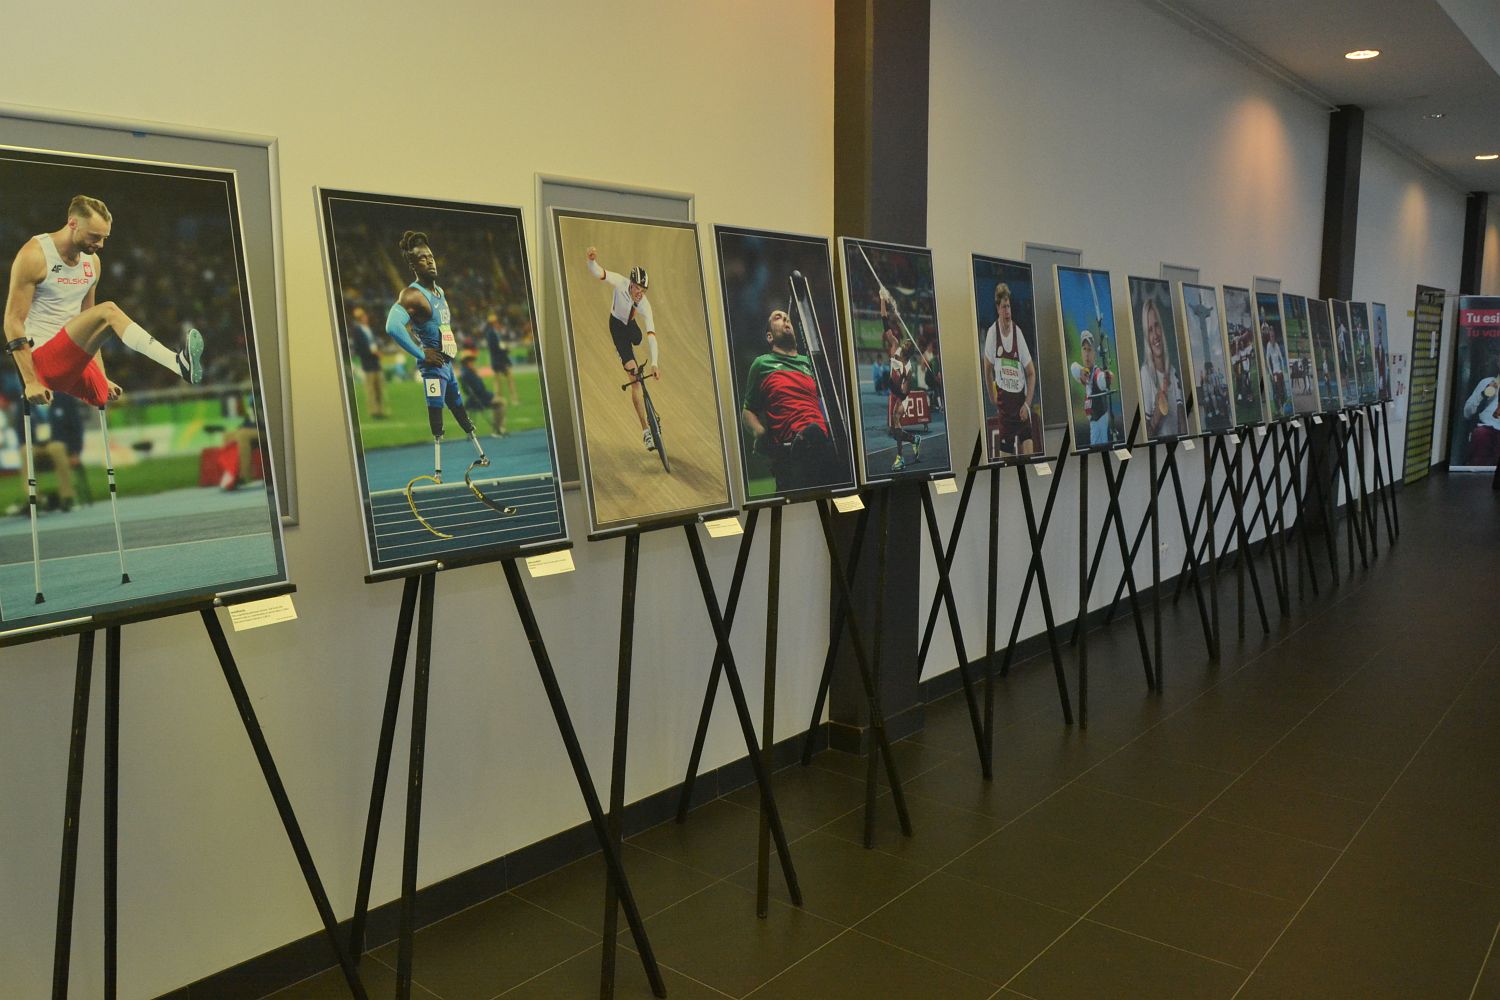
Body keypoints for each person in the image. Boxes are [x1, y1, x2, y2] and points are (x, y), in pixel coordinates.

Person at [4, 194, 204, 409]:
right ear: (73, 224)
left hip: (72, 362)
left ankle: (111, 377)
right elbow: (12, 321)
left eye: (104, 238)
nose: (100, 244)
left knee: (101, 390)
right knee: (109, 311)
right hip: (42, 360)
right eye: (94, 236)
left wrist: (101, 376)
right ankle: (177, 363)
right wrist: (30, 382)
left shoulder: (93, 262)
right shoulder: (35, 255)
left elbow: (92, 328)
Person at [383, 230, 488, 482]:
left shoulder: (439, 291)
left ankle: (481, 455)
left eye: (430, 256)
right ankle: (438, 471)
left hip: (447, 364)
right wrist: (421, 353)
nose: (430, 261)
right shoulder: (412, 295)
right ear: (412, 265)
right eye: (422, 258)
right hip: (433, 367)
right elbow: (392, 326)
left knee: (459, 408)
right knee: (436, 411)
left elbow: (442, 327)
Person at [741, 308, 840, 493]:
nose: (785, 319)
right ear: (770, 337)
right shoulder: (762, 364)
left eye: (787, 318)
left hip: (822, 445)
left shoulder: (810, 363)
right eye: (778, 318)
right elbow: (748, 411)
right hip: (790, 452)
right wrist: (759, 432)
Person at [585, 246, 659, 452]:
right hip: (617, 327)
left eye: (643, 291)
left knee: (638, 338)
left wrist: (654, 363)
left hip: (630, 326)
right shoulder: (620, 282)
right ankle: (646, 431)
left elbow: (652, 335)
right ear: (631, 283)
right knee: (634, 378)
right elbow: (599, 273)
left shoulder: (644, 305)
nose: (640, 294)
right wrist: (591, 260)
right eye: (637, 289)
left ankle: (638, 357)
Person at [981, 282, 1038, 455]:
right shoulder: (992, 334)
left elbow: (1031, 373)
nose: (1007, 311)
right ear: (998, 309)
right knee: (1007, 465)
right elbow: (987, 369)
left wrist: (1027, 404)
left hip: (1020, 408)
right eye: (1004, 307)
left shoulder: (1017, 333)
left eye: (1009, 306)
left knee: (1030, 458)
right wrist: (992, 397)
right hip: (1005, 410)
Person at [1137, 297, 1185, 439]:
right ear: (1146, 337)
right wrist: (1157, 415)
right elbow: (1147, 436)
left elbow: (1182, 424)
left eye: (1157, 326)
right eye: (1150, 330)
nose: (1155, 335)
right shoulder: (1145, 374)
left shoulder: (1173, 371)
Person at [1070, 329, 1113, 445]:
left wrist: (1106, 377)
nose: (1087, 354)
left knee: (1102, 444)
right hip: (1093, 420)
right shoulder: (1085, 373)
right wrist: (1081, 372)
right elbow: (1073, 367)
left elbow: (1101, 380)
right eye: (1084, 349)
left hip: (1100, 417)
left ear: (1094, 353)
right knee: (1094, 444)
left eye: (1089, 350)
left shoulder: (1096, 372)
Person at [1460, 351, 1500, 467]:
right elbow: (1467, 413)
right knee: (1480, 434)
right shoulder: (1486, 382)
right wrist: (1483, 395)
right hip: (1486, 430)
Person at [887, 341, 922, 470]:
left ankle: (900, 459)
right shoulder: (898, 350)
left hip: (902, 397)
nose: (903, 344)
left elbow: (905, 392)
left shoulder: (908, 370)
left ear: (907, 353)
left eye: (906, 345)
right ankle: (914, 439)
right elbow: (890, 336)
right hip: (894, 392)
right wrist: (884, 324)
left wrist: (898, 399)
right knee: (895, 433)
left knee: (896, 418)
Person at [349, 305, 387, 418]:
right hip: (367, 363)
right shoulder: (357, 331)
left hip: (376, 362)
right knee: (370, 389)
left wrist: (377, 352)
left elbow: (374, 344)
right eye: (363, 316)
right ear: (360, 318)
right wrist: (372, 353)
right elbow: (358, 348)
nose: (365, 318)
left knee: (379, 388)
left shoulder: (370, 330)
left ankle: (381, 410)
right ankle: (374, 411)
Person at [458, 353, 507, 436]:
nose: (473, 363)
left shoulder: (465, 372)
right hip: (479, 400)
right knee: (501, 402)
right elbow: (479, 389)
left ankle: (497, 429)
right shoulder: (469, 373)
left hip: (474, 400)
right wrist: (492, 395)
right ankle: (498, 429)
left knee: (499, 402)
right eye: (471, 361)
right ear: (467, 362)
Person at [482, 311, 519, 407]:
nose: (497, 323)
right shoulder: (491, 334)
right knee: (500, 382)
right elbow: (494, 348)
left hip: (501, 360)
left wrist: (505, 348)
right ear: (492, 323)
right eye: (495, 322)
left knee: (504, 381)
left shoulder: (496, 332)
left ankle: (510, 399)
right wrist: (506, 349)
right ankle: (505, 400)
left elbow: (498, 346)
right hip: (498, 361)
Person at [1262, 320, 1291, 416]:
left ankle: (1283, 406)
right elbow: (1267, 359)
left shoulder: (1277, 345)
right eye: (1271, 336)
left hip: (1279, 371)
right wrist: (1270, 372)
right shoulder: (1268, 346)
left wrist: (1282, 368)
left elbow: (1281, 358)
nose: (1273, 337)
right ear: (1269, 337)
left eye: (1273, 336)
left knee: (1282, 389)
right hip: (1274, 373)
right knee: (1276, 390)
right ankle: (1279, 408)